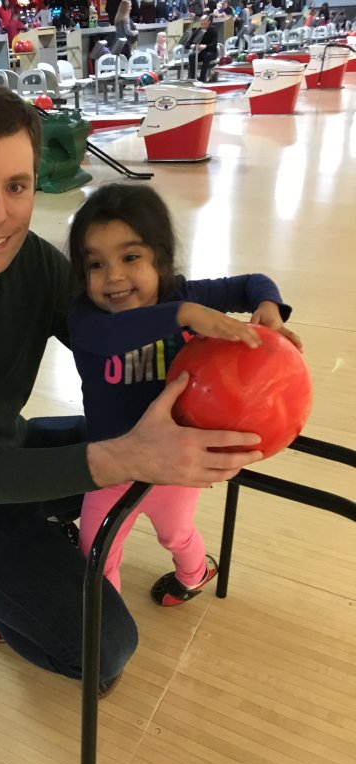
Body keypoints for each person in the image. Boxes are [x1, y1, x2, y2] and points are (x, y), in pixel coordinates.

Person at [0, 80, 262, 694]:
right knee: (105, 652)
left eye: (15, 186)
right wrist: (132, 456)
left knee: (131, 439)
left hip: (10, 446)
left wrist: (234, 361)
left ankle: (36, 537)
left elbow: (114, 340)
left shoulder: (33, 263)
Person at [67, 184, 300, 605]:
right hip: (110, 461)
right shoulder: (87, 317)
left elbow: (253, 282)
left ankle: (194, 574)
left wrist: (269, 306)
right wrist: (184, 315)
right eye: (96, 264)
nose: (113, 276)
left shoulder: (186, 295)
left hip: (177, 462)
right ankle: (108, 621)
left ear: (160, 258)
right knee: (95, 550)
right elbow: (107, 337)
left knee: (176, 533)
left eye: (130, 257)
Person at [187, 13, 218, 81]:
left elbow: (214, 44)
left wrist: (205, 46)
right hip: (202, 52)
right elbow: (188, 43)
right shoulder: (198, 31)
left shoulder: (213, 31)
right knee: (191, 56)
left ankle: (202, 77)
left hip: (212, 52)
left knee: (207, 56)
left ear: (209, 22)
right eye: (201, 24)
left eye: (204, 24)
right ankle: (193, 77)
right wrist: (193, 46)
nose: (203, 26)